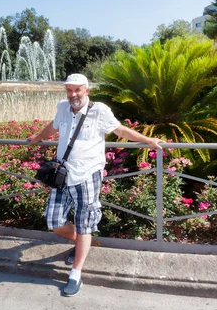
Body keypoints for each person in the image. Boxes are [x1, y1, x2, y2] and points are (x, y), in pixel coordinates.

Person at [27, 73, 164, 297]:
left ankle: (75, 273)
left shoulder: (99, 110)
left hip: (88, 174)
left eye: (78, 90)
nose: (73, 94)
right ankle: (80, 242)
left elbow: (119, 130)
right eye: (69, 90)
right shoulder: (63, 107)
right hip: (63, 174)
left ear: (87, 90)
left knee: (84, 223)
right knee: (53, 220)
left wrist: (148, 140)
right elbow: (53, 126)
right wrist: (37, 138)